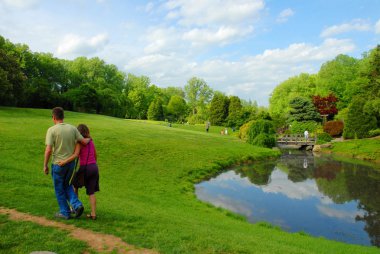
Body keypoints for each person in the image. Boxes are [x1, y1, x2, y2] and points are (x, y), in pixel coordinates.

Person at [44, 107, 89, 220]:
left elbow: (48, 150)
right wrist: (89, 139)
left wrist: (45, 165)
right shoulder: (73, 129)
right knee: (66, 185)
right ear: (63, 117)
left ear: (54, 117)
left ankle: (65, 212)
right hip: (70, 164)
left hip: (58, 165)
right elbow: (83, 141)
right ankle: (77, 205)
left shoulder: (52, 130)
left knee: (59, 188)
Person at [58, 124, 99, 220]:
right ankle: (93, 214)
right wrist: (93, 165)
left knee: (74, 186)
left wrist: (64, 162)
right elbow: (96, 155)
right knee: (91, 192)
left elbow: (75, 155)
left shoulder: (79, 143)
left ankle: (74, 207)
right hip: (94, 167)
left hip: (84, 167)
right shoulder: (91, 142)